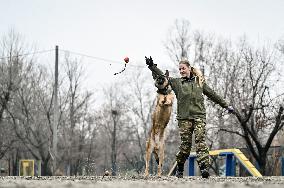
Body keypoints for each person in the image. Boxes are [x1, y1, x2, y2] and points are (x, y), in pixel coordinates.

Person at [145, 56, 234, 178]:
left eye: (183, 68)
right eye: (180, 69)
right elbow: (162, 77)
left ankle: (204, 168)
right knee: (185, 146)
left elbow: (212, 94)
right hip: (184, 118)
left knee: (200, 140)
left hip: (199, 116)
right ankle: (180, 166)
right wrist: (152, 66)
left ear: (189, 69)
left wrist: (226, 105)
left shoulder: (199, 82)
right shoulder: (176, 83)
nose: (181, 71)